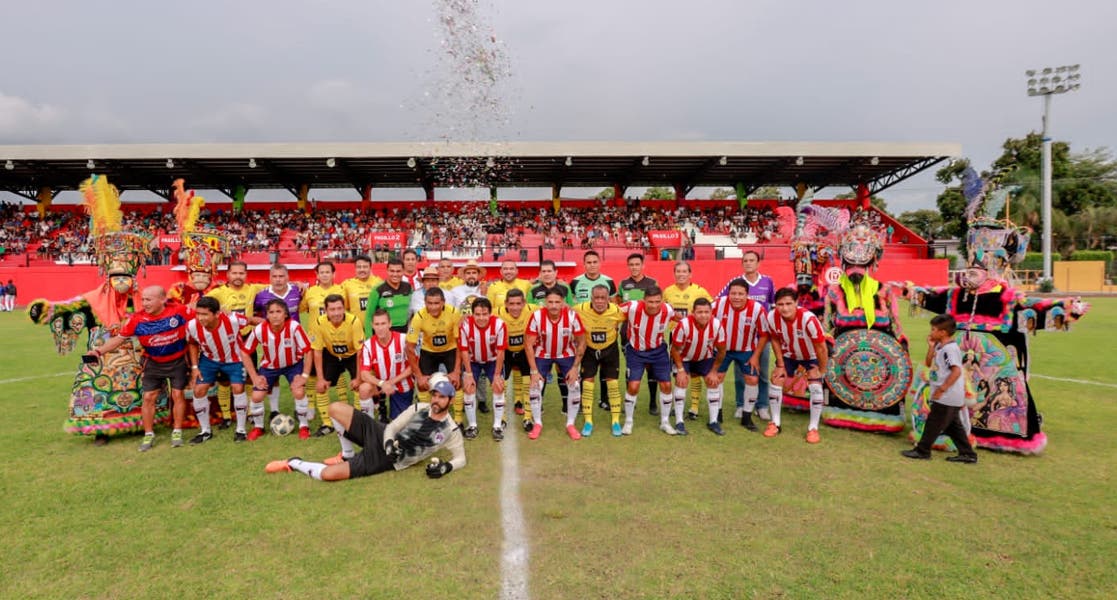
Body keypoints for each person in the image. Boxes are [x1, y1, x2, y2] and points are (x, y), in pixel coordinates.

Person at [265, 373, 466, 482]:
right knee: (335, 408)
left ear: (450, 400)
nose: (436, 400)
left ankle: (293, 463)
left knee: (327, 475)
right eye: (434, 395)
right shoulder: (419, 407)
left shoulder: (451, 430)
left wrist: (446, 467)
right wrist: (388, 442)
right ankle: (347, 454)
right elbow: (393, 426)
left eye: (441, 397)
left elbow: (461, 459)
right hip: (382, 435)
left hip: (388, 460)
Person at [88, 286, 192, 452]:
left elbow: (201, 318)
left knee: (177, 394)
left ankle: (177, 431)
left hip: (177, 361)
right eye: (143, 299)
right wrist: (98, 351)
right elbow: (118, 339)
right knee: (149, 397)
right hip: (152, 363)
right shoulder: (136, 319)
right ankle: (148, 434)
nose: (144, 303)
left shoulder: (179, 311)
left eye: (148, 300)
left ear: (162, 300)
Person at [755, 288, 829, 444]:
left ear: (796, 303)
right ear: (775, 305)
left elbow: (821, 347)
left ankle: (813, 428)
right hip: (789, 355)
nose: (785, 308)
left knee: (815, 386)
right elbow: (775, 339)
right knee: (776, 379)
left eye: (789, 303)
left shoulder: (808, 319)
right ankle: (775, 423)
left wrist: (821, 370)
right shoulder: (772, 317)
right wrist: (780, 364)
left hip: (811, 356)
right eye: (780, 304)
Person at [901, 315, 978, 463]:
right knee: (953, 427)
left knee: (933, 423)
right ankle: (968, 454)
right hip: (948, 396)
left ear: (943, 332)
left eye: (933, 329)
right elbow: (928, 363)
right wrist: (931, 346)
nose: (931, 332)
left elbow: (956, 371)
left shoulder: (950, 350)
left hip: (947, 395)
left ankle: (922, 451)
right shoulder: (940, 346)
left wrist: (942, 389)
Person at [240, 299, 313, 442]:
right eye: (271, 312)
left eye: (278, 311)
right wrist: (254, 377)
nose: (275, 315)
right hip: (270, 367)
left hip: (293, 365)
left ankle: (304, 426)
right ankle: (259, 427)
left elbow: (308, 350)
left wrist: (304, 376)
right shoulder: (260, 329)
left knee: (299, 391)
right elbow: (245, 352)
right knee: (256, 396)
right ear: (266, 315)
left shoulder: (294, 327)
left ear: (285, 314)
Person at [719, 250, 776, 420]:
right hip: (742, 337)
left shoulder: (767, 281)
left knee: (762, 373)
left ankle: (762, 406)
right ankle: (741, 405)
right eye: (745, 260)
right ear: (742, 263)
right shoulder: (735, 282)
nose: (749, 263)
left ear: (758, 263)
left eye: (752, 260)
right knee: (740, 375)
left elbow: (772, 305)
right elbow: (720, 301)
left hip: (761, 336)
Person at [206, 260, 263, 429]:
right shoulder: (217, 293)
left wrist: (299, 284)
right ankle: (226, 416)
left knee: (250, 378)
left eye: (241, 273)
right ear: (228, 274)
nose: (238, 276)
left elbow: (276, 286)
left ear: (246, 274)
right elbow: (200, 305)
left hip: (247, 340)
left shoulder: (253, 289)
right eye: (234, 273)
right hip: (226, 342)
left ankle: (251, 412)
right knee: (224, 381)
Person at [185, 296, 249, 444]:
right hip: (209, 360)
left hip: (234, 359)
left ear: (217, 314)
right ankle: (205, 431)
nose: (200, 318)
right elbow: (192, 343)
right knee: (199, 390)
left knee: (238, 388)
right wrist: (194, 367)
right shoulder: (192, 326)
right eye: (198, 313)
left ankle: (240, 430)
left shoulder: (233, 320)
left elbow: (253, 321)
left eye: (205, 314)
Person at [525, 288, 586, 440]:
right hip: (542, 354)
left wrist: (575, 367)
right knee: (535, 386)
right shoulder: (536, 316)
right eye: (550, 302)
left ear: (563, 302)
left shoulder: (572, 316)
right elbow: (528, 344)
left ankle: (570, 424)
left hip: (566, 353)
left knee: (575, 385)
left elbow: (582, 342)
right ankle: (537, 423)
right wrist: (534, 371)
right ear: (545, 302)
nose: (553, 305)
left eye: (557, 302)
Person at [619, 286, 679, 436]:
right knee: (633, 386)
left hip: (658, 351)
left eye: (657, 301)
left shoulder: (667, 310)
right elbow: (612, 312)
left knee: (666, 385)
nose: (654, 305)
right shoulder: (632, 307)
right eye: (650, 302)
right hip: (636, 351)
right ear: (643, 300)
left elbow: (681, 319)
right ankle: (628, 422)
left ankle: (665, 422)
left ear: (662, 301)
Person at [712, 278, 767, 431]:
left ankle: (746, 416)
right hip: (722, 349)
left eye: (740, 294)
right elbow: (703, 318)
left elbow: (764, 334)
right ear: (728, 294)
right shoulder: (718, 304)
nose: (736, 297)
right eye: (733, 293)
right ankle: (717, 413)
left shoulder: (757, 309)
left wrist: (755, 356)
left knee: (752, 379)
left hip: (746, 350)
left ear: (747, 295)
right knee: (717, 378)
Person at [308, 294, 365, 437]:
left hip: (352, 355)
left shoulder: (354, 321)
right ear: (326, 310)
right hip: (332, 355)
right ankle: (327, 424)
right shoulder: (319, 322)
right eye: (332, 309)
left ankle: (358, 421)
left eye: (339, 308)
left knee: (360, 385)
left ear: (344, 308)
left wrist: (358, 378)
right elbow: (317, 352)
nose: (336, 313)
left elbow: (360, 352)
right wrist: (320, 379)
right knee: (321, 387)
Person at [252, 263, 304, 420]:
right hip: (272, 342)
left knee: (297, 381)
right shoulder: (261, 296)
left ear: (288, 277)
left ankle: (300, 409)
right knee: (273, 378)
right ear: (270, 278)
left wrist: (300, 284)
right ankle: (274, 410)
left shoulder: (297, 291)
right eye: (274, 276)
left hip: (294, 344)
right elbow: (255, 313)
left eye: (281, 276)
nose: (278, 279)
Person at [663, 261, 714, 420]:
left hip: (696, 336)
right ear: (674, 273)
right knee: (678, 372)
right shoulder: (668, 291)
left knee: (695, 372)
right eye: (678, 271)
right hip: (675, 335)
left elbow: (711, 310)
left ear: (690, 274)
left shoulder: (700, 291)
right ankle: (677, 405)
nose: (681, 274)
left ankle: (694, 407)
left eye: (684, 271)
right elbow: (664, 311)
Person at [671, 297, 728, 435]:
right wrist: (680, 370)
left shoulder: (717, 325)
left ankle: (713, 421)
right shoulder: (683, 325)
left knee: (713, 382)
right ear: (693, 312)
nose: (703, 315)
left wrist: (714, 371)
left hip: (704, 358)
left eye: (706, 312)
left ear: (711, 312)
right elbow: (675, 350)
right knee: (682, 382)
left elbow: (722, 351)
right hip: (684, 358)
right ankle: (679, 422)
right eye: (700, 312)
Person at [573, 284, 625, 436]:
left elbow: (634, 316)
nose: (600, 301)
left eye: (603, 298)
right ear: (591, 298)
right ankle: (588, 421)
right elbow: (564, 311)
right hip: (589, 350)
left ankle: (615, 421)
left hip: (610, 350)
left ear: (609, 298)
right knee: (587, 384)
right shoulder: (580, 309)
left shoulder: (617, 311)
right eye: (596, 298)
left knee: (613, 384)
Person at [405, 287, 464, 418]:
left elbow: (460, 343)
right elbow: (409, 348)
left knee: (457, 382)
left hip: (450, 349)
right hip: (429, 351)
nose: (433, 307)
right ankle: (428, 416)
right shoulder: (419, 316)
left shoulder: (454, 313)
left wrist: (456, 371)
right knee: (422, 385)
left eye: (436, 303)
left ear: (443, 302)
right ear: (425, 303)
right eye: (430, 303)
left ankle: (458, 419)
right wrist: (419, 376)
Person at [457, 297, 508, 440]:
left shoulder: (499, 325)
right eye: (477, 314)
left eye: (484, 314)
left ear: (490, 313)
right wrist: (468, 374)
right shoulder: (465, 325)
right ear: (472, 314)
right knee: (469, 388)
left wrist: (497, 375)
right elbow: (464, 351)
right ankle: (472, 425)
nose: (481, 318)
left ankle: (497, 426)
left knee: (498, 387)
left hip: (493, 361)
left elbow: (501, 352)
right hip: (473, 361)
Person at [617, 252, 658, 414]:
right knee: (630, 368)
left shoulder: (652, 283)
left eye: (637, 264)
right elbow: (619, 306)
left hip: (649, 332)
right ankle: (630, 401)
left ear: (643, 265)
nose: (634, 267)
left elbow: (657, 305)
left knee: (651, 368)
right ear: (628, 266)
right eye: (631, 265)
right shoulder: (623, 284)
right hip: (627, 332)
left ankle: (653, 402)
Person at [357, 309, 414, 421]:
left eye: (383, 323)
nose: (380, 328)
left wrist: (390, 383)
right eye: (377, 324)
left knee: (400, 422)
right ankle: (369, 422)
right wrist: (381, 383)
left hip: (401, 383)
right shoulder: (368, 345)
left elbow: (412, 367)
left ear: (390, 324)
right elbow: (364, 374)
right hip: (379, 383)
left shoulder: (403, 340)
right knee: (364, 388)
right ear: (372, 325)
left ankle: (384, 406)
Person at [497, 289, 536, 426]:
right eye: (511, 304)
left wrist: (567, 307)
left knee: (528, 383)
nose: (515, 307)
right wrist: (464, 318)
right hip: (506, 352)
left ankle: (528, 417)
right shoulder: (497, 312)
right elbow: (479, 316)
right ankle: (501, 418)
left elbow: (551, 308)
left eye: (518, 304)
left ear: (524, 303)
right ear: (505, 303)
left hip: (524, 351)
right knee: (501, 384)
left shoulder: (532, 309)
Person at [366, 258, 414, 336]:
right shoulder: (378, 290)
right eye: (392, 271)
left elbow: (413, 313)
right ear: (387, 271)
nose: (395, 274)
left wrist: (411, 333)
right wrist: (369, 338)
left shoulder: (408, 287)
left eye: (398, 271)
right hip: (384, 333)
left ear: (403, 271)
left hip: (404, 332)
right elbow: (369, 315)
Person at [342, 254, 383, 328]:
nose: (362, 270)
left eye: (365, 267)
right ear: (355, 268)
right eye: (359, 267)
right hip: (355, 328)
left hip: (375, 328)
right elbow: (343, 308)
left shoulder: (379, 282)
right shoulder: (347, 285)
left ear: (370, 268)